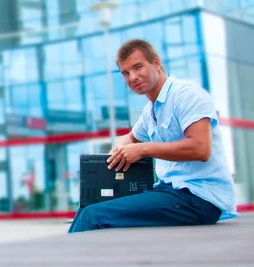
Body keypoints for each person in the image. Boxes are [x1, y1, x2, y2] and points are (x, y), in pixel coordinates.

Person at [68, 38, 236, 233]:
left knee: (94, 216)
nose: (132, 77)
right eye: (126, 73)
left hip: (198, 197)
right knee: (87, 207)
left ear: (156, 64)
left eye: (138, 67)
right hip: (171, 192)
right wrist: (119, 151)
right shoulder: (151, 111)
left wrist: (142, 150)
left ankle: (66, 263)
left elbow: (201, 148)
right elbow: (131, 138)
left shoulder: (187, 95)